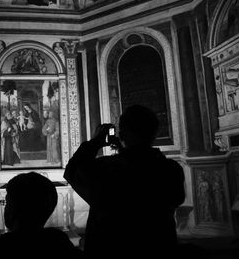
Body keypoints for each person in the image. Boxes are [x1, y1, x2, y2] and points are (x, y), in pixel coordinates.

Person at [64, 104, 185, 258]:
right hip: (157, 248)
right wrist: (123, 151)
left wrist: (96, 142)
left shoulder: (107, 169)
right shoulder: (171, 170)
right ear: (155, 132)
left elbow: (73, 170)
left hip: (112, 248)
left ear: (122, 134)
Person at [0, 172, 84, 259]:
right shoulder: (57, 241)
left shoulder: (2, 246)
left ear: (15, 209)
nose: (5, 208)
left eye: (8, 203)